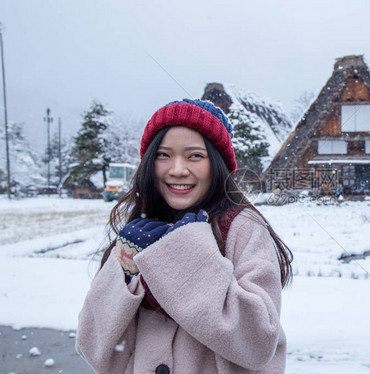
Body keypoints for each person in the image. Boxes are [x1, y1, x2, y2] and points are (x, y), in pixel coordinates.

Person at [76, 99, 293, 374]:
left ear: (217, 165)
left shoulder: (243, 228)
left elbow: (258, 344)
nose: (177, 169)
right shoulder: (139, 231)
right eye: (163, 155)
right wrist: (125, 266)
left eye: (194, 156)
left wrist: (183, 255)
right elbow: (94, 349)